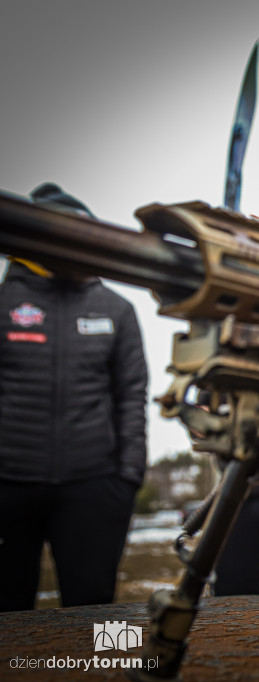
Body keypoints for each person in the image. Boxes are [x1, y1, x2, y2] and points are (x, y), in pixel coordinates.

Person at [0, 183, 148, 611]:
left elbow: (132, 395)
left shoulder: (116, 308)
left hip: (95, 485)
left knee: (100, 610)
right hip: (9, 484)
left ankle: (113, 675)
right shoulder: (4, 302)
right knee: (7, 612)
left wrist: (127, 477)